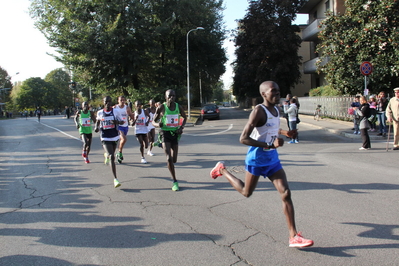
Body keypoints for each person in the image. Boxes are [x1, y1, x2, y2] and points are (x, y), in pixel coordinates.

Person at [210, 81, 313, 248]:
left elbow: (271, 129)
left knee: (285, 193)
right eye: (273, 91)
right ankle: (222, 170)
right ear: (264, 94)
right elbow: (243, 138)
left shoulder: (276, 109)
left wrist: (286, 132)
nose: (277, 94)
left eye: (279, 91)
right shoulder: (258, 111)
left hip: (272, 159)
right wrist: (270, 145)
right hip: (257, 159)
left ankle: (293, 236)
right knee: (246, 192)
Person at [152, 89, 187, 191]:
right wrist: (158, 124)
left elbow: (184, 117)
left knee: (174, 159)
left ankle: (160, 145)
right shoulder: (161, 107)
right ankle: (175, 181)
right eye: (170, 96)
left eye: (174, 96)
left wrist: (181, 127)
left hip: (175, 134)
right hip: (165, 133)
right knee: (168, 158)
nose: (172, 98)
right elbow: (153, 121)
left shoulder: (178, 106)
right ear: (165, 97)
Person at [95, 96, 124, 188]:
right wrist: (96, 127)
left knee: (111, 153)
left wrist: (117, 122)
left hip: (114, 136)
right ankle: (115, 179)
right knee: (112, 156)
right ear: (103, 102)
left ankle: (106, 155)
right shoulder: (100, 112)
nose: (108, 103)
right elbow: (97, 121)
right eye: (106, 101)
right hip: (105, 137)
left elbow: (122, 122)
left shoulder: (116, 111)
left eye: (109, 101)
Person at [113, 96, 135, 163]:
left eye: (123, 100)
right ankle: (119, 152)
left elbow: (131, 115)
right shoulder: (115, 108)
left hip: (125, 126)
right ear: (118, 101)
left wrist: (132, 116)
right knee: (124, 139)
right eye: (121, 100)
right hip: (118, 126)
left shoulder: (127, 108)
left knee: (121, 140)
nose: (122, 101)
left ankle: (119, 152)